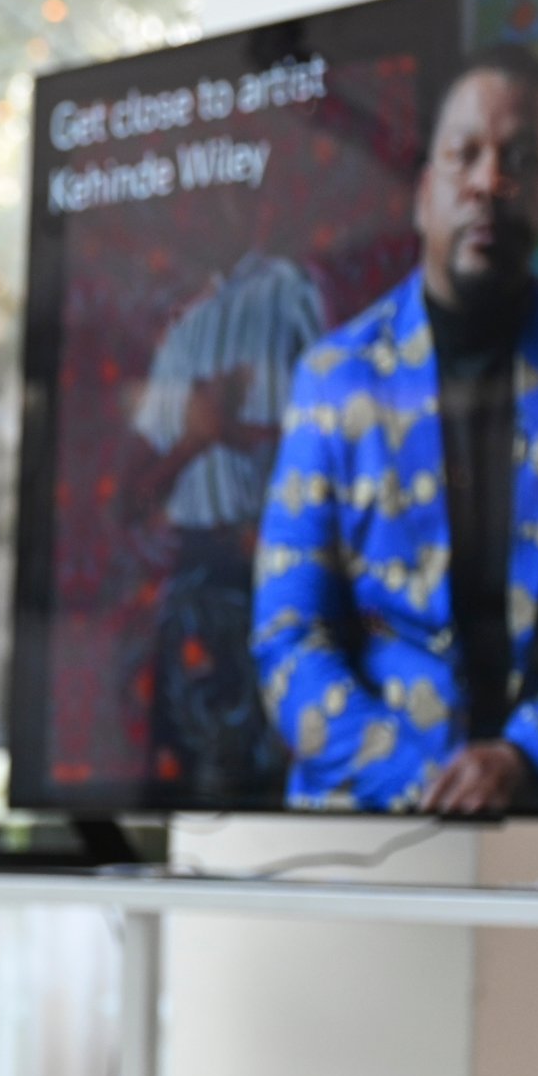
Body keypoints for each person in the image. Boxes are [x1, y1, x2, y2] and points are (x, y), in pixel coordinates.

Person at [254, 42, 538, 811]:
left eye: (520, 159)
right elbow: (288, 635)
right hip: (364, 831)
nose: (491, 182)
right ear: (424, 191)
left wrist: (526, 756)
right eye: (467, 156)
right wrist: (421, 782)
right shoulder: (333, 376)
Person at [125, 255, 325, 802]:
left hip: (264, 576)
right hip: (193, 582)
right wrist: (198, 438)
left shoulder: (288, 294)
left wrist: (228, 431)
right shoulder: (181, 337)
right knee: (188, 767)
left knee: (259, 766)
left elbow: (327, 439)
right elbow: (133, 495)